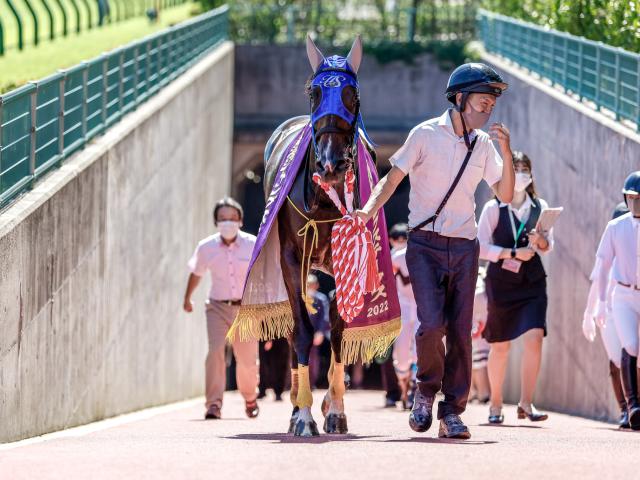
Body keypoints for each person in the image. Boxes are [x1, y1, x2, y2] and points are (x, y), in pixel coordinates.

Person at [355, 63, 514, 439]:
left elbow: (505, 194)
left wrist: (507, 153)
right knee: (432, 325)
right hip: (424, 244)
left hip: (464, 246)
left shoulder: (485, 145)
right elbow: (392, 178)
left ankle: (452, 413)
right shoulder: (424, 135)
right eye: (481, 102)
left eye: (491, 104)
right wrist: (367, 211)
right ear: (459, 99)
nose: (487, 109)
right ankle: (425, 392)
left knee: (460, 331)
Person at [477, 151, 553, 424]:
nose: (520, 174)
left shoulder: (540, 206)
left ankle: (526, 403)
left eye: (524, 169)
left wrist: (542, 242)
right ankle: (496, 403)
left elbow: (547, 246)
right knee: (501, 346)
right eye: (515, 168)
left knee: (534, 338)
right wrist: (510, 253)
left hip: (532, 281)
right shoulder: (493, 208)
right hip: (501, 283)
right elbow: (480, 247)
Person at [183, 197, 259, 420]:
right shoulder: (206, 247)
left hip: (246, 309)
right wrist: (187, 298)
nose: (228, 223)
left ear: (240, 220)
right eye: (223, 219)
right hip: (217, 307)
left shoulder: (253, 244)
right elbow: (196, 272)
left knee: (246, 360)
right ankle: (213, 404)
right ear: (216, 221)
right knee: (215, 352)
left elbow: (263, 273)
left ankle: (250, 397)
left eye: (232, 218)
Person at [586, 172, 640, 430]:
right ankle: (631, 407)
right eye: (632, 198)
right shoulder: (616, 228)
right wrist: (596, 306)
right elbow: (602, 268)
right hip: (621, 297)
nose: (636, 203)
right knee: (626, 348)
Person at [583, 202, 631, 429]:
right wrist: (589, 313)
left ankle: (634, 406)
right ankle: (625, 409)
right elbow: (596, 284)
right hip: (610, 314)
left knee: (632, 354)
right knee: (616, 359)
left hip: (631, 308)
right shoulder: (608, 254)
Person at [390, 223, 418, 410]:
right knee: (402, 351)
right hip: (403, 306)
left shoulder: (420, 253)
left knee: (418, 350)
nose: (401, 242)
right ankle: (405, 387)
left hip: (421, 306)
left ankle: (414, 388)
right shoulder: (395, 257)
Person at [306, 274, 331, 388]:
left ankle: (311, 383)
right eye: (308, 284)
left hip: (315, 332)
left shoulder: (321, 299)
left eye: (312, 284)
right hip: (302, 332)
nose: (310, 287)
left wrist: (320, 332)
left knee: (313, 359)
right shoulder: (300, 297)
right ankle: (295, 383)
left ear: (317, 285)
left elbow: (324, 317)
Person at [469, 267, 490, 404]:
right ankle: (480, 393)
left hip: (478, 331)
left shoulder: (478, 292)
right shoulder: (482, 292)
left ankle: (482, 393)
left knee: (478, 363)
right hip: (481, 332)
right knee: (478, 363)